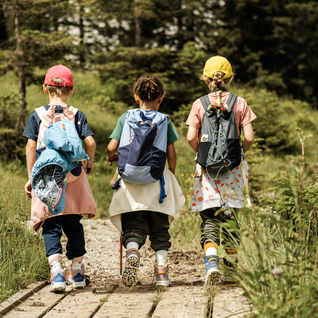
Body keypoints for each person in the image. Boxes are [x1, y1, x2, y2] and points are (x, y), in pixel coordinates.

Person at [23, 64, 97, 292]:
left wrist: (31, 177)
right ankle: (77, 272)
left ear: (45, 87)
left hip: (47, 177)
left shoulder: (37, 114)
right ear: (71, 90)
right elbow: (90, 143)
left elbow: (30, 147)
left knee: (51, 224)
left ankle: (57, 273)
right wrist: (88, 162)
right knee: (73, 224)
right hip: (73, 176)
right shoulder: (76, 115)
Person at [107, 75, 185, 287]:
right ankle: (161, 274)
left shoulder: (126, 118)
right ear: (161, 98)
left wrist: (111, 157)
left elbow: (112, 147)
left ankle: (133, 252)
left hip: (130, 181)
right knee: (160, 229)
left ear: (135, 97)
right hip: (157, 180)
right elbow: (171, 154)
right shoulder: (165, 120)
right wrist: (171, 175)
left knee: (133, 225)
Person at [186, 56, 256, 285]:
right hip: (233, 171)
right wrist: (239, 154)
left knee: (209, 217)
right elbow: (250, 137)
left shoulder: (199, 103)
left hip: (207, 172)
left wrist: (202, 155)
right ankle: (232, 270)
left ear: (205, 78)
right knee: (230, 218)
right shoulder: (240, 102)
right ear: (230, 77)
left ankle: (211, 264)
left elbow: (190, 137)